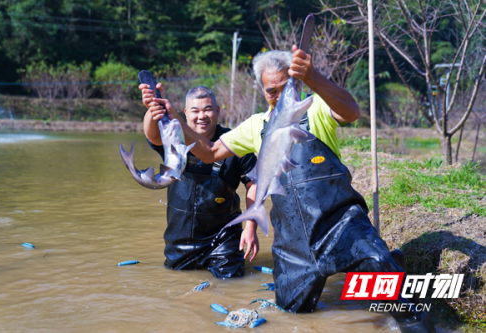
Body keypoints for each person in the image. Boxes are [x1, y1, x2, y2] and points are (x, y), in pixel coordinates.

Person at [141, 47, 435, 332]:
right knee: (292, 316)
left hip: (340, 223)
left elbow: (352, 112)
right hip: (293, 245)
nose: (278, 96)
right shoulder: (255, 126)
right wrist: (175, 117)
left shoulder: (315, 107)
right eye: (271, 91)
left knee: (385, 275)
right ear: (262, 91)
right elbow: (209, 151)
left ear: (296, 82)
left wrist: (313, 77)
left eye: (285, 86)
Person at [139, 83, 259, 278]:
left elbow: (254, 183)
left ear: (218, 111)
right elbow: (152, 135)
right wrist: (152, 108)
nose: (201, 116)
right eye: (195, 111)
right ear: (186, 113)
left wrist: (251, 226)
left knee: (231, 286)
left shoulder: (233, 141)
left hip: (223, 240)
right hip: (180, 241)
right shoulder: (174, 138)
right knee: (175, 286)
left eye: (208, 109)